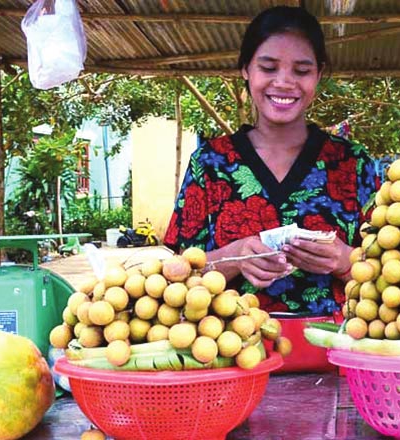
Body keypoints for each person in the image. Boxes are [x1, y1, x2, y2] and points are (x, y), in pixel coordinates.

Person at [163, 6, 380, 316]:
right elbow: (177, 278)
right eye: (268, 68)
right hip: (229, 352)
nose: (284, 82)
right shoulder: (210, 164)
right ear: (245, 70)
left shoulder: (353, 164)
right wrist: (233, 257)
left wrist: (345, 261)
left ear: (318, 75)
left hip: (336, 351)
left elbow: (394, 274)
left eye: (301, 71)